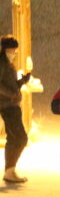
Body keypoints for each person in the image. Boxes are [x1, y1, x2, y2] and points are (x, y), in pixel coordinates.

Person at [0, 35, 31, 183]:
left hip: (11, 104)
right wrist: (12, 94)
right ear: (5, 48)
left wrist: (21, 82)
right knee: (20, 138)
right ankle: (9, 170)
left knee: (15, 138)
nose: (14, 52)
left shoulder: (7, 63)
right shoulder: (2, 63)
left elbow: (10, 84)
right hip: (8, 106)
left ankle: (10, 170)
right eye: (13, 49)